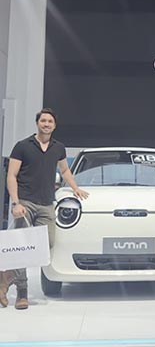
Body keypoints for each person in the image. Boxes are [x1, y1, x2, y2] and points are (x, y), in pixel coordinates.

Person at [0, 108, 89, 310]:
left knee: (46, 244)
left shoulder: (59, 147)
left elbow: (64, 170)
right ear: (37, 123)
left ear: (54, 126)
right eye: (43, 121)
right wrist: (15, 203)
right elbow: (11, 175)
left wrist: (75, 188)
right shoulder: (22, 146)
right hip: (25, 202)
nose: (46, 124)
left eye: (50, 121)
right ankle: (22, 293)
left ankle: (5, 276)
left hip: (47, 203)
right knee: (22, 245)